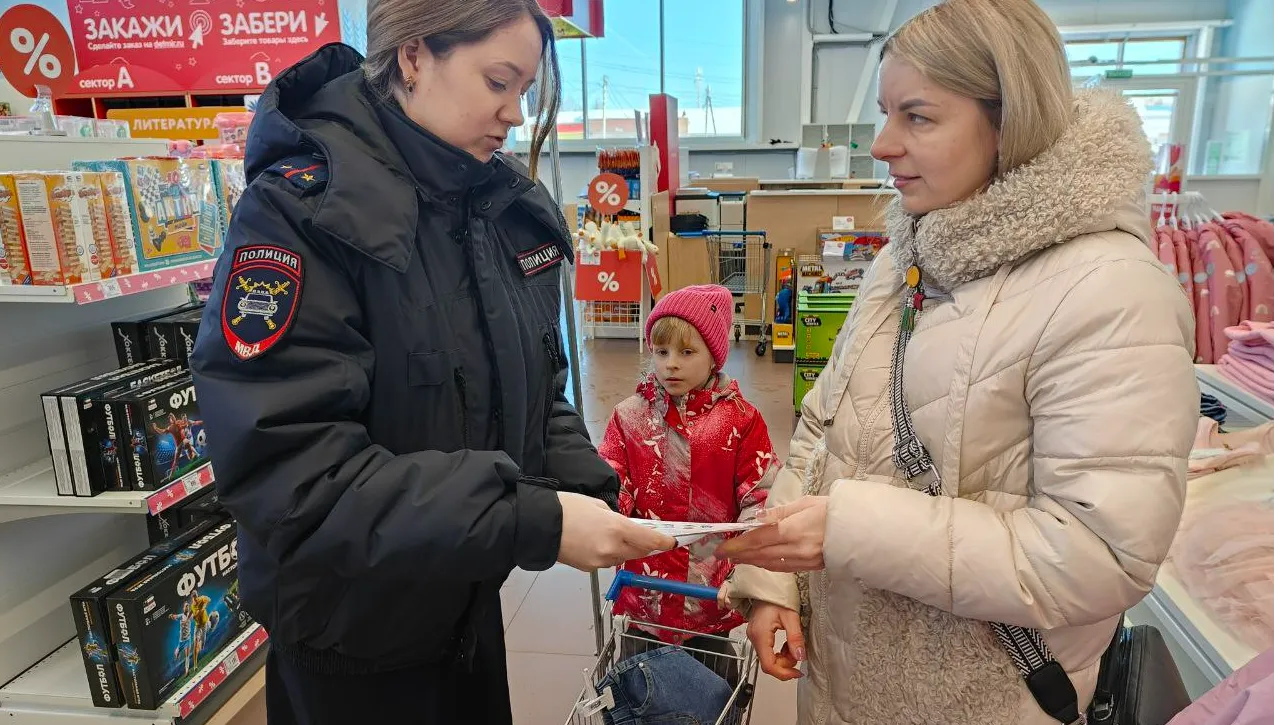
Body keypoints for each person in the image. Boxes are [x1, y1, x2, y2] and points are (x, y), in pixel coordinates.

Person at [188, 2, 674, 723]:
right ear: (414, 57)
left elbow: (538, 387)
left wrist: (601, 493)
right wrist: (530, 519)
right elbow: (297, 474)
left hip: (462, 605)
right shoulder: (300, 214)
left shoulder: (495, 202)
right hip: (353, 643)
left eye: (526, 91)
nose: (513, 113)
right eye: (498, 81)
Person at [715, 1, 1198, 723]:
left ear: (1010, 123)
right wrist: (772, 581)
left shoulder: (1112, 292)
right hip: (843, 683)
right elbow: (822, 427)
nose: (881, 144)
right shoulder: (907, 255)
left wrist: (849, 531)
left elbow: (1100, 555)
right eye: (885, 112)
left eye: (918, 116)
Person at [598, 285, 780, 682]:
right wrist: (609, 509)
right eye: (661, 352)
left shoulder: (740, 422)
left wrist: (745, 560)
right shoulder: (629, 417)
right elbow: (612, 478)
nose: (670, 365)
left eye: (686, 352)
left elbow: (761, 493)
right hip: (645, 584)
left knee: (714, 688)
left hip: (710, 590)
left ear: (714, 356)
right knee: (636, 686)